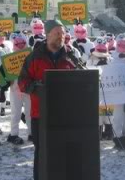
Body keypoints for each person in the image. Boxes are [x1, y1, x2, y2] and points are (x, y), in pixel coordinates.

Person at [18, 19, 76, 180]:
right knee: (42, 152)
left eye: (63, 33)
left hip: (64, 114)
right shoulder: (34, 57)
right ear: (48, 34)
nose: (61, 36)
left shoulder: (71, 56)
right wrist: (38, 88)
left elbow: (80, 79)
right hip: (40, 115)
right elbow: (22, 82)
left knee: (63, 151)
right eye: (57, 33)